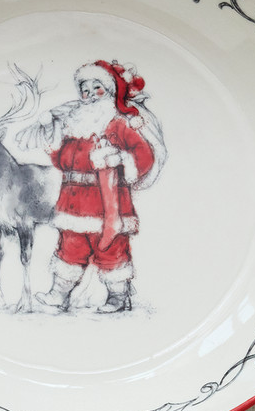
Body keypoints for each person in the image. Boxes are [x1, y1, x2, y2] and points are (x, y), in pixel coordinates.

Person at [18, 59, 164, 314]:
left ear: (109, 91)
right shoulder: (74, 127)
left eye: (97, 87)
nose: (90, 94)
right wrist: (53, 141)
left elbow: (144, 154)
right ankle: (58, 294)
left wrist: (119, 159)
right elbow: (62, 162)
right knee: (69, 247)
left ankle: (118, 297)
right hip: (72, 204)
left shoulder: (118, 124)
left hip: (107, 203)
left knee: (110, 249)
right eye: (85, 90)